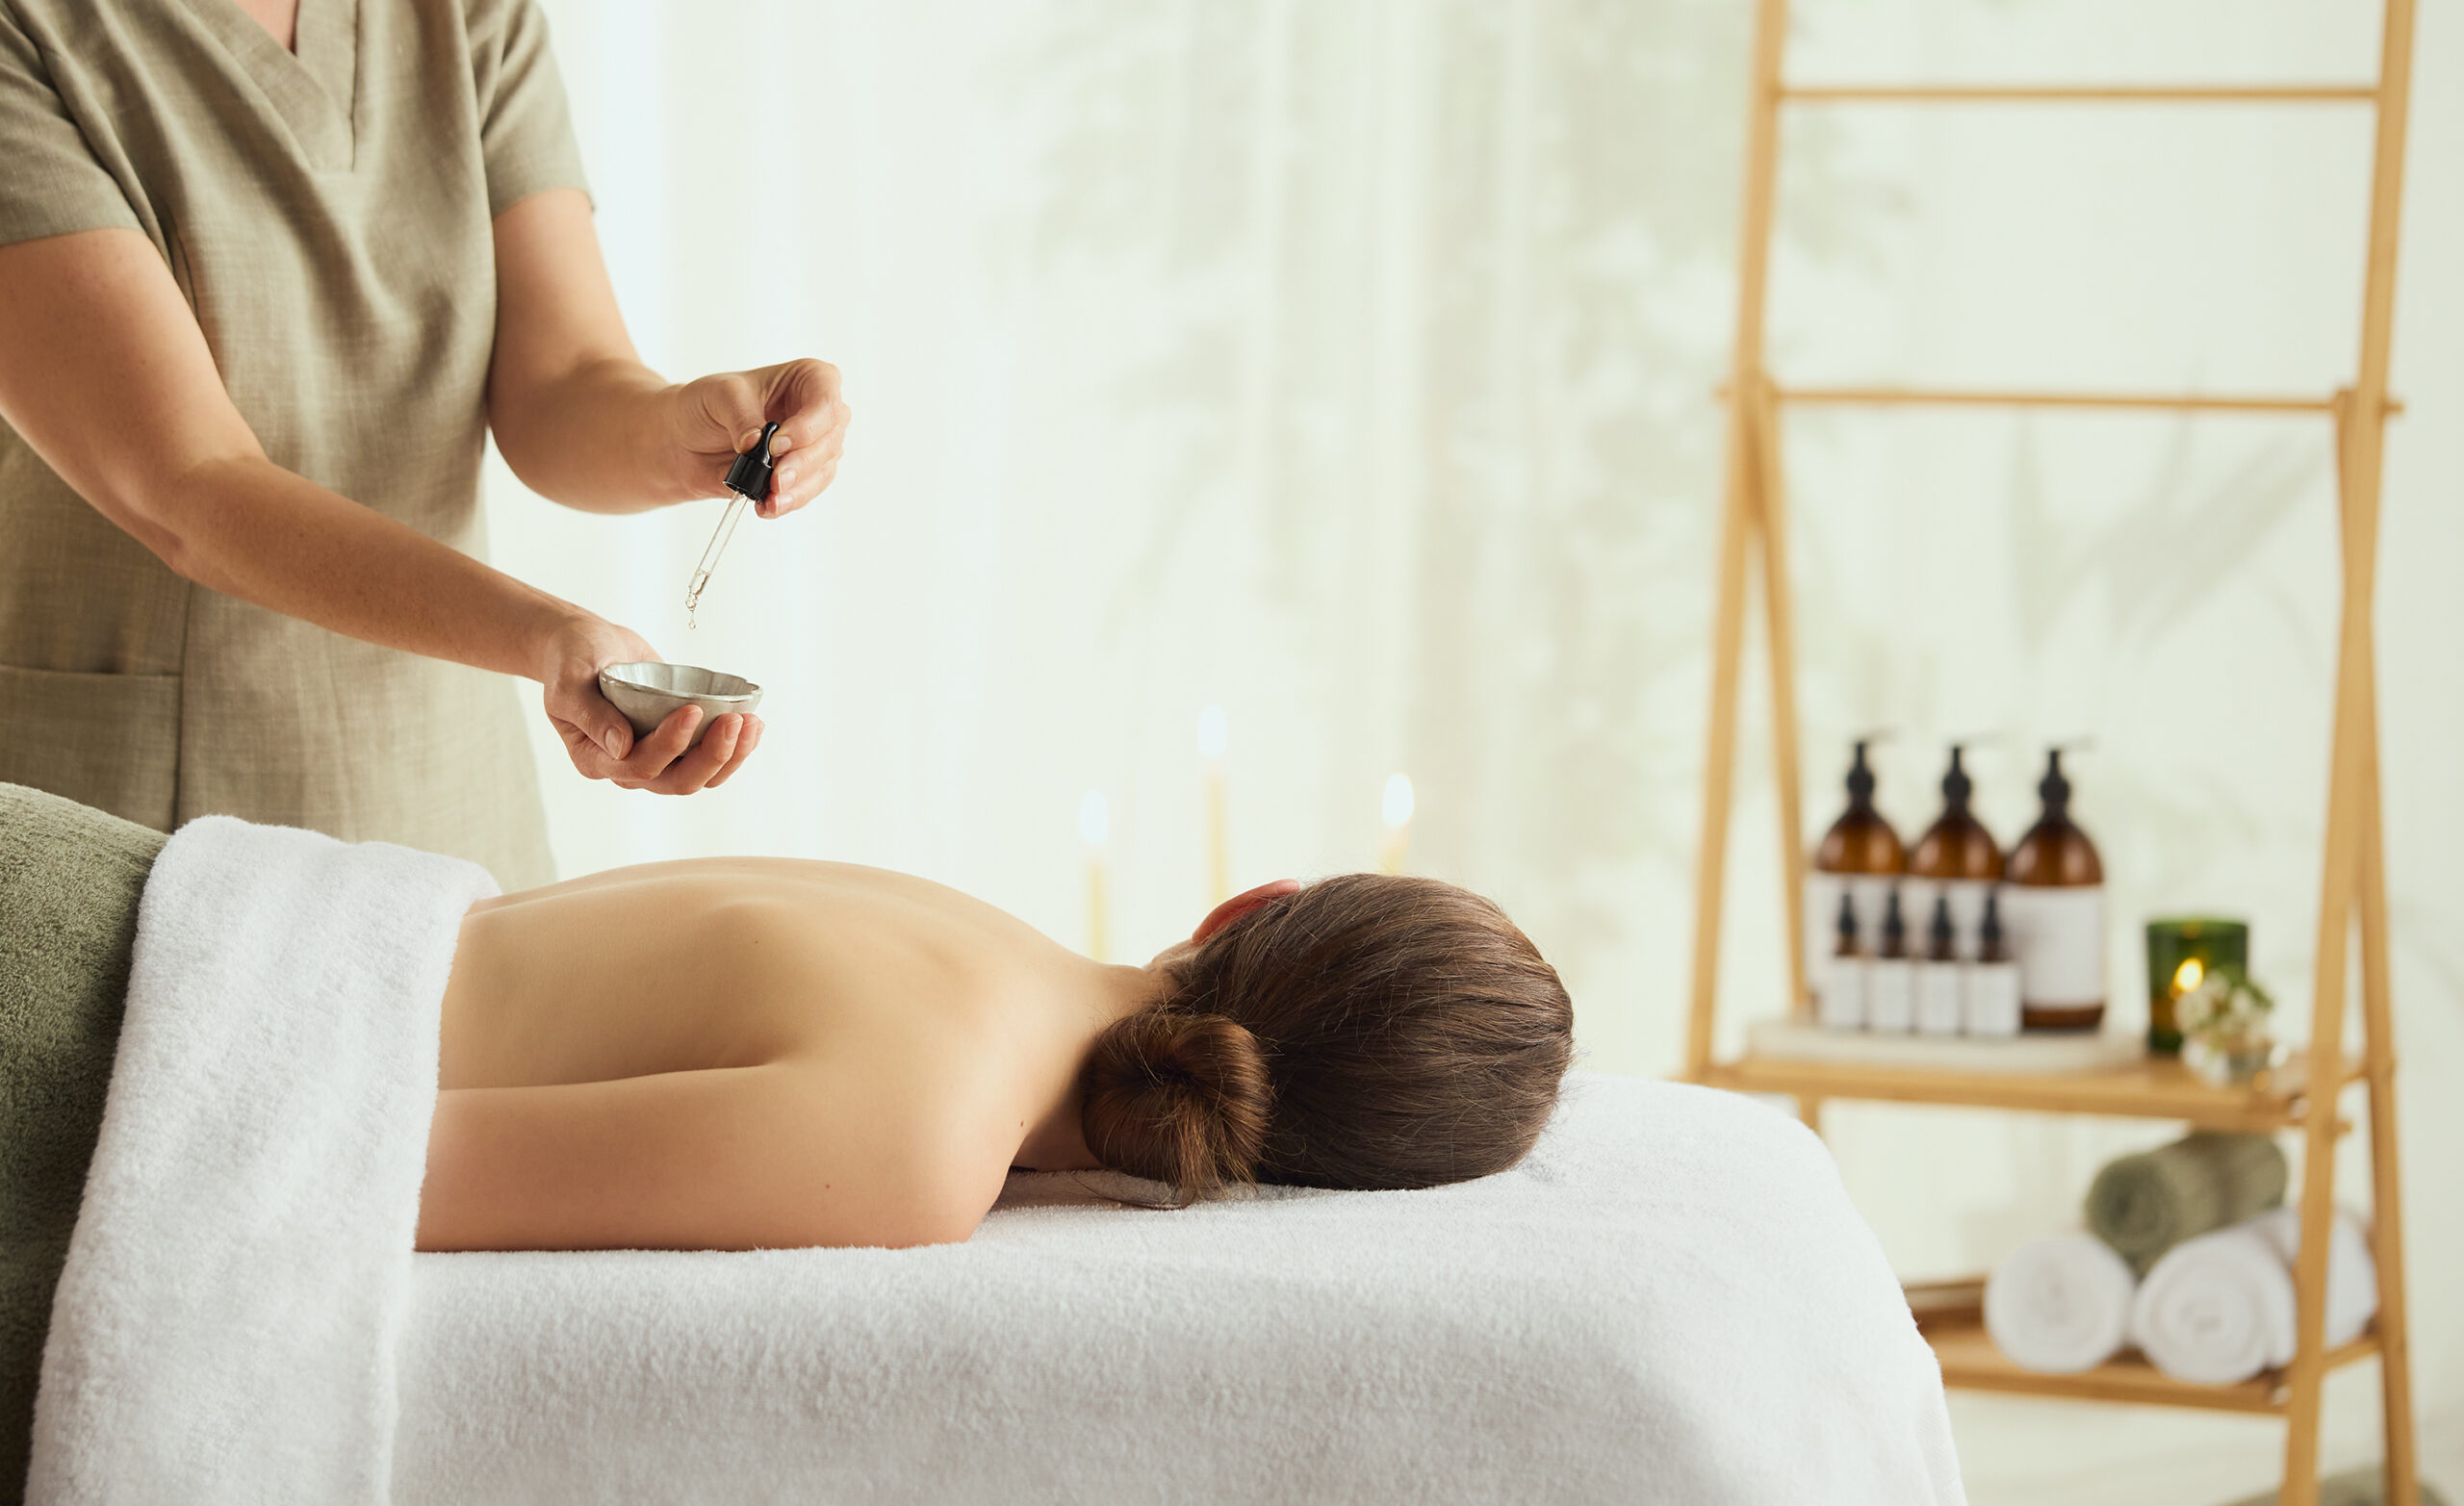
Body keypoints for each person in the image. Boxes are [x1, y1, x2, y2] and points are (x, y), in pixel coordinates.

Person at [0, 0, 851, 890]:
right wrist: (544, 635)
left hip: (447, 798)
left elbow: (560, 378)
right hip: (151, 827)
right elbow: (190, 484)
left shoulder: (468, 15)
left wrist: (687, 432)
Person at [419, 867, 1575, 1251]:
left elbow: (364, 1146)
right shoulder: (923, 1140)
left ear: (1246, 907)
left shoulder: (968, 938)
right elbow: (365, 1163)